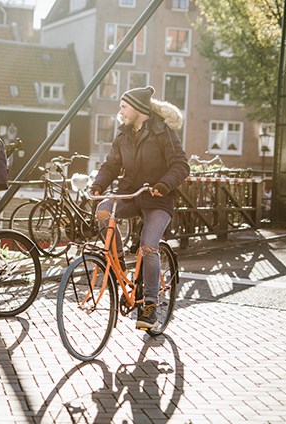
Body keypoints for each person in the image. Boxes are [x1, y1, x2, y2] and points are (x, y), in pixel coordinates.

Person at [89, 86, 190, 329]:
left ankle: (150, 304)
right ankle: (120, 265)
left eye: (124, 106)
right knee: (102, 209)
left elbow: (181, 165)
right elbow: (111, 165)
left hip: (158, 198)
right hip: (131, 194)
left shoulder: (162, 132)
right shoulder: (123, 134)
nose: (120, 111)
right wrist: (98, 185)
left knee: (148, 245)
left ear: (138, 109)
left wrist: (164, 185)